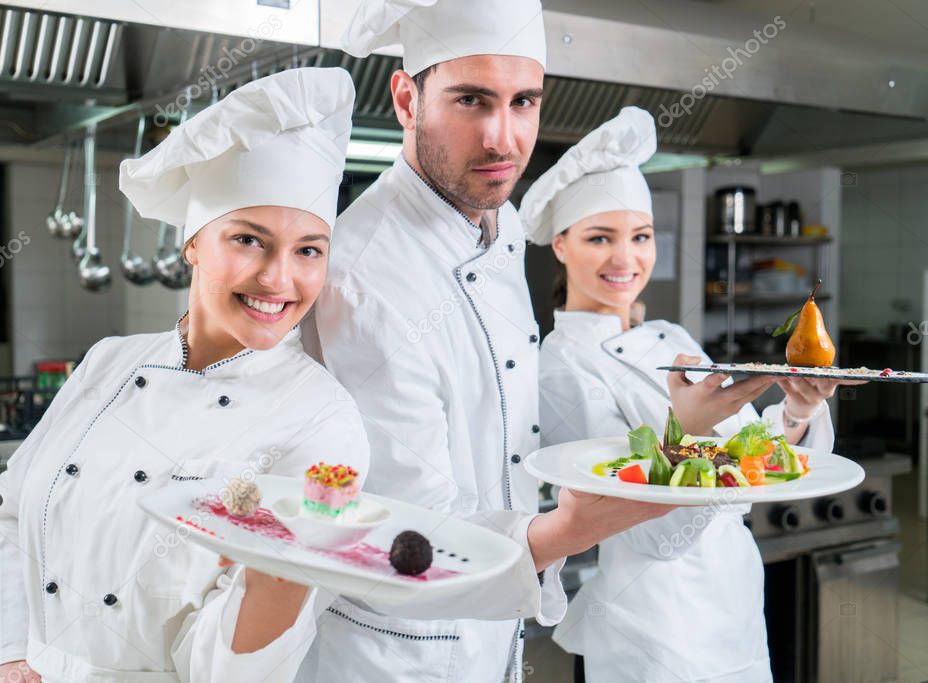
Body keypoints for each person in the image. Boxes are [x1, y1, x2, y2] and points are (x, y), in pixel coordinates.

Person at [301, 4, 672, 681]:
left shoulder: (495, 231)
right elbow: (413, 531)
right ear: (407, 98)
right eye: (471, 100)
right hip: (395, 651)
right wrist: (579, 522)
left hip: (491, 635)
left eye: (524, 101)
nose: (503, 138)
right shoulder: (365, 275)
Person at [0, 67, 367, 682]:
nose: (279, 278)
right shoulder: (110, 360)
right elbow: (13, 515)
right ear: (192, 243)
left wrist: (286, 570)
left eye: (309, 250)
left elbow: (239, 670)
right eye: (249, 239)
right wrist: (9, 656)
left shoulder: (323, 422)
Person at [521, 106, 858, 682]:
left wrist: (797, 411)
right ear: (560, 245)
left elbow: (750, 462)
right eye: (600, 238)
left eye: (641, 237)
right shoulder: (557, 366)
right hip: (650, 624)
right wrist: (692, 433)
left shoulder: (670, 337)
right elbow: (636, 525)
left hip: (732, 602)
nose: (625, 259)